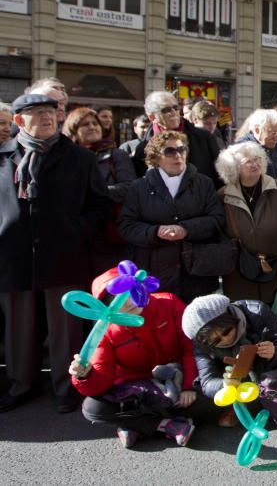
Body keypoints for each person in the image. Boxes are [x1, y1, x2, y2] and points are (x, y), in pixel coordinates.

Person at [0, 94, 112, 414]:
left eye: (51, 112)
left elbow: (100, 206)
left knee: (65, 327)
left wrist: (76, 230)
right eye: (37, 113)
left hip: (65, 254)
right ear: (20, 120)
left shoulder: (79, 158)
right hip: (13, 255)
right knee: (18, 327)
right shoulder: (3, 156)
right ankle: (22, 384)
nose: (47, 118)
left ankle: (67, 386)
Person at [68, 267, 211, 448]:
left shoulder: (169, 303)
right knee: (93, 408)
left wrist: (188, 386)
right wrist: (84, 375)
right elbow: (102, 379)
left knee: (212, 397)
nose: (128, 302)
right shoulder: (105, 330)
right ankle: (165, 425)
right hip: (138, 392)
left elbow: (192, 347)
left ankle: (134, 424)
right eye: (117, 299)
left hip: (178, 380)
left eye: (129, 292)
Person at [182, 294, 277, 431]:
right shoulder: (200, 344)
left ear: (232, 317)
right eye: (216, 341)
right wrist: (225, 385)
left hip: (269, 366)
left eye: (226, 331)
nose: (225, 340)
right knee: (191, 401)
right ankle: (256, 401)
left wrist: (275, 352)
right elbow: (207, 381)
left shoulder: (256, 310)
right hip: (236, 378)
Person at [118, 131, 226, 303]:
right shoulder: (139, 187)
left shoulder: (203, 183)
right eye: (170, 151)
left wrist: (186, 230)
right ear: (156, 157)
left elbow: (217, 219)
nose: (178, 155)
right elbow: (126, 226)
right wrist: (155, 232)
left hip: (197, 275)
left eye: (181, 149)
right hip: (155, 276)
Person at [215, 141, 277, 307]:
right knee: (244, 318)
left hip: (275, 268)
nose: (255, 164)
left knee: (276, 320)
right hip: (237, 275)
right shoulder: (223, 196)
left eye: (258, 159)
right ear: (233, 167)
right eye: (248, 161)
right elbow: (218, 232)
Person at [63, 107, 137, 268]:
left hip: (108, 233)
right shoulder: (65, 158)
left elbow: (128, 187)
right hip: (75, 233)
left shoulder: (116, 155)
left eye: (94, 123)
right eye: (85, 124)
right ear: (73, 131)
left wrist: (93, 194)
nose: (92, 127)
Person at [131, 91, 221, 187]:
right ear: (152, 117)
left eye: (175, 108)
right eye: (166, 110)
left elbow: (218, 175)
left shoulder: (204, 138)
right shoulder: (143, 149)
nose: (173, 113)